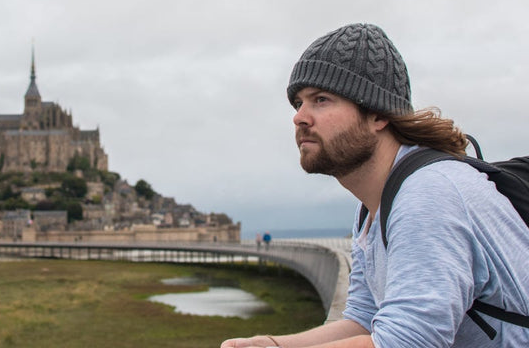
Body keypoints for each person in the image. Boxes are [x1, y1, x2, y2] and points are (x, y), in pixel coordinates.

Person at [221, 23, 529, 347]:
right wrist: (272, 344)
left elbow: (407, 342)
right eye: (299, 103)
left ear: (378, 115)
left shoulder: (428, 194)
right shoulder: (372, 207)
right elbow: (363, 320)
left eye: (321, 99)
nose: (300, 117)